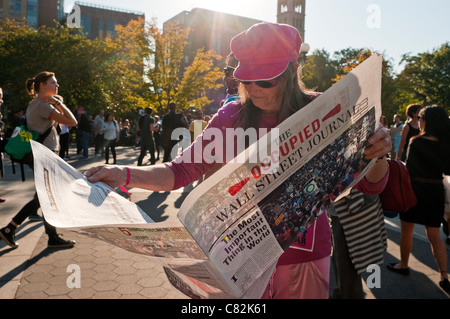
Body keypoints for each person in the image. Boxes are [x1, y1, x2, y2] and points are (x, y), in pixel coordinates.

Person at [85, 22, 391, 299]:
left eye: (265, 80)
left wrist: (377, 154)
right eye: (247, 79)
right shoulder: (230, 115)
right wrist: (122, 173)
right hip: (238, 258)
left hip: (304, 258)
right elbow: (178, 171)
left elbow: (372, 184)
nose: (254, 88)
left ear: (292, 69)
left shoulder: (325, 109)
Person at [0, 71, 78, 249]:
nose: (57, 86)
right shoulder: (44, 107)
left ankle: (49, 236)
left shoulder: (34, 104)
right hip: (46, 154)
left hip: (41, 153)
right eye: (53, 83)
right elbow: (72, 122)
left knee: (46, 196)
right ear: (42, 85)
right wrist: (58, 103)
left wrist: (55, 102)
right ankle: (10, 228)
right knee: (46, 196)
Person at [387, 105, 450, 294]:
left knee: (406, 230)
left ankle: (403, 264)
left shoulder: (416, 142)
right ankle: (444, 275)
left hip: (414, 190)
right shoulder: (446, 142)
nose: (419, 121)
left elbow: (410, 169)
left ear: (426, 121)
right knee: (434, 235)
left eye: (421, 117)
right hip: (435, 190)